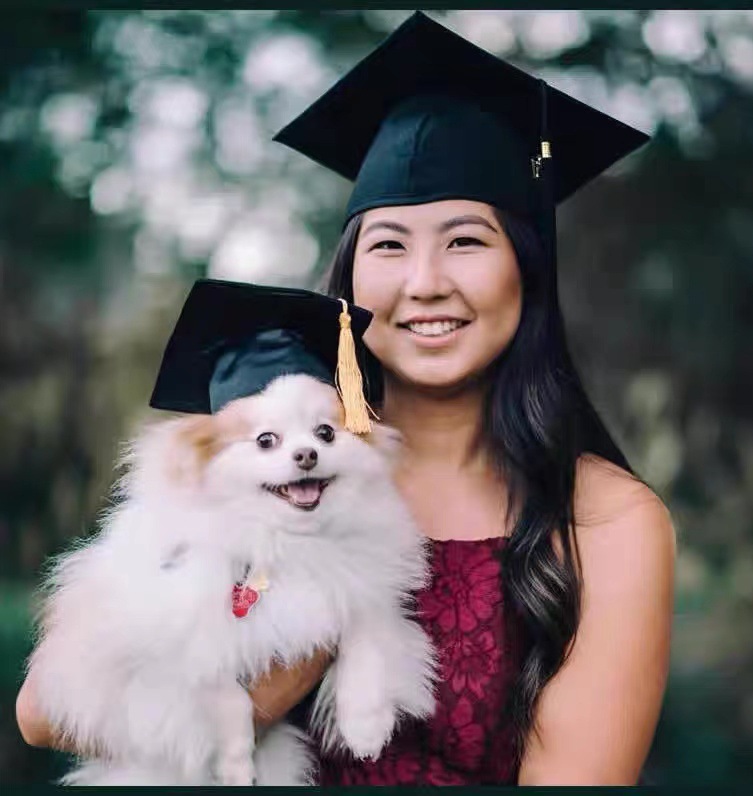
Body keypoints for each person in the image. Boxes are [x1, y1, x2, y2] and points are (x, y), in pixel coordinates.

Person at [17, 11, 676, 785]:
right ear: (350, 274)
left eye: (466, 240)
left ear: (526, 273)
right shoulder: (268, 464)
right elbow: (44, 712)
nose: (425, 282)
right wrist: (297, 650)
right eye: (389, 244)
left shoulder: (606, 522)